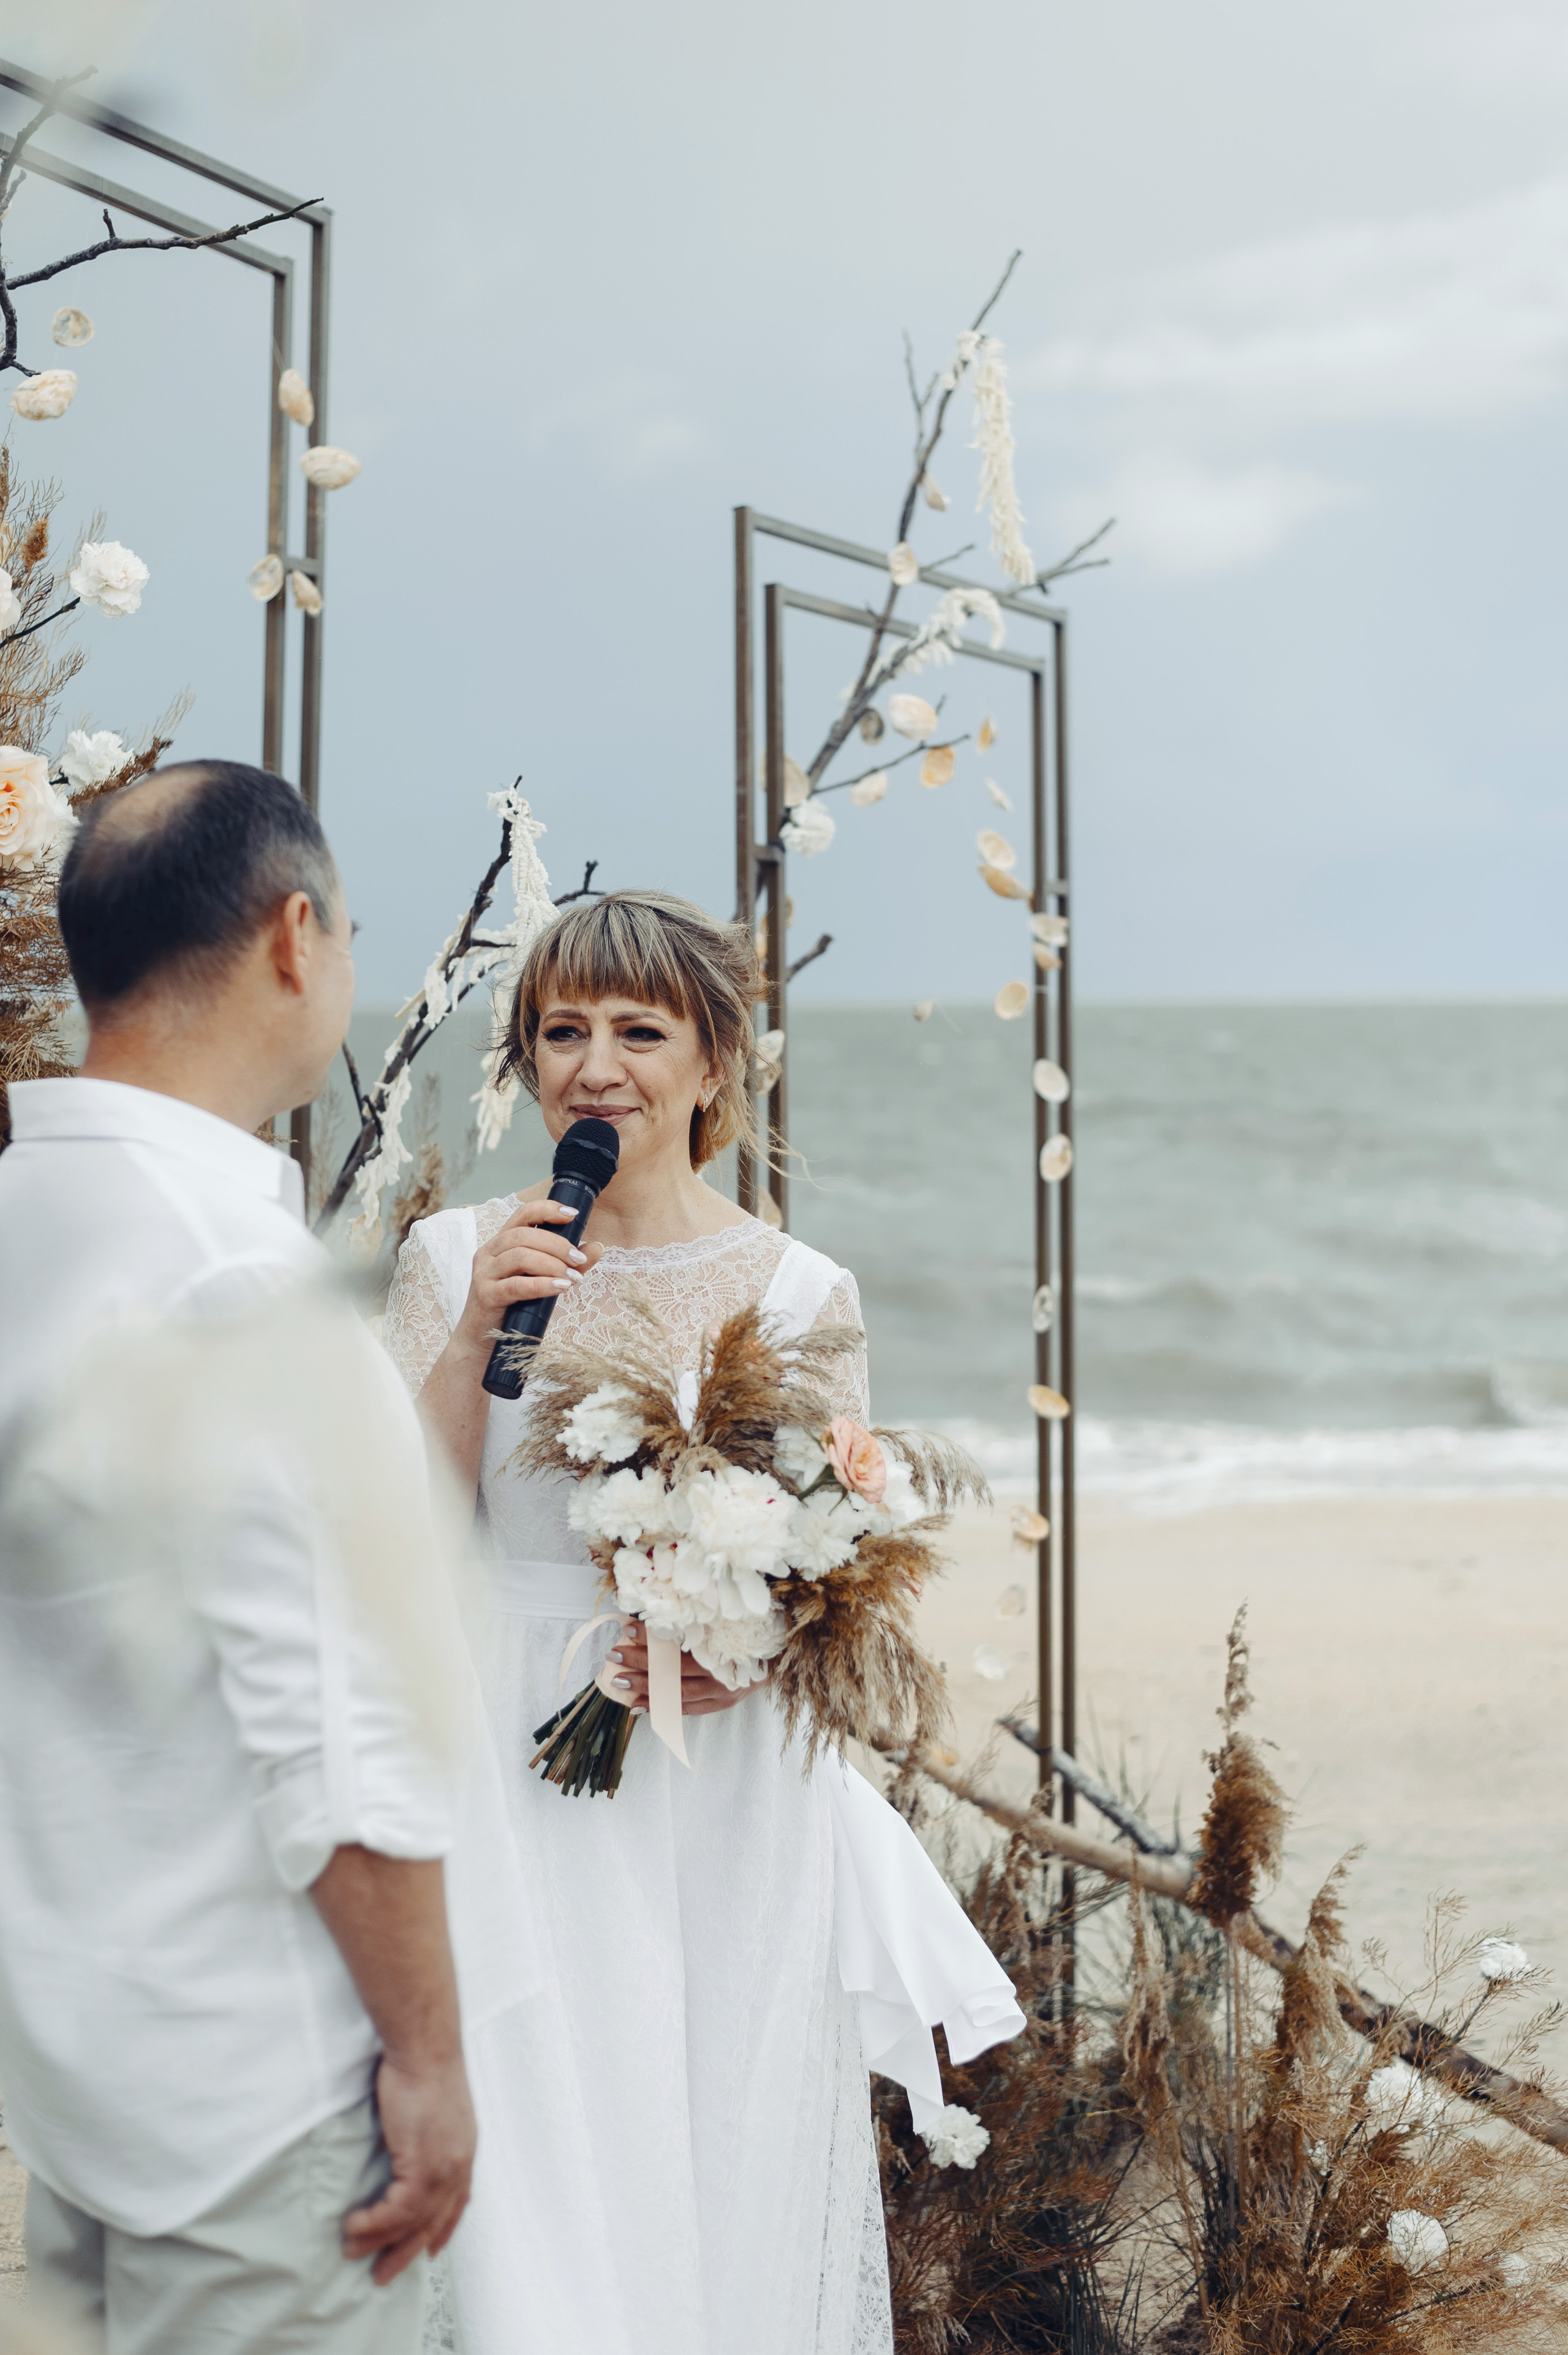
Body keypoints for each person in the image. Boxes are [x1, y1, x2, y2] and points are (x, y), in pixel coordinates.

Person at [382, 889, 1023, 2355]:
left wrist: (739, 1647)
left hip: (720, 1783)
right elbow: (395, 1524)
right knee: (541, 2142)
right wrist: (479, 1325)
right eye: (560, 1031)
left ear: (715, 1061)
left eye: (636, 1030)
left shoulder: (802, 1291)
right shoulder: (453, 1257)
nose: (593, 1067)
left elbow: (830, 1561)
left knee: (719, 2132)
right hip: (506, 1752)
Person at [0, 762, 477, 2354]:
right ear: (296, 937)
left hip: (72, 2079)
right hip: (268, 2107)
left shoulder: (25, 1224)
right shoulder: (240, 1283)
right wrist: (429, 2056)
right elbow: (336, 1733)